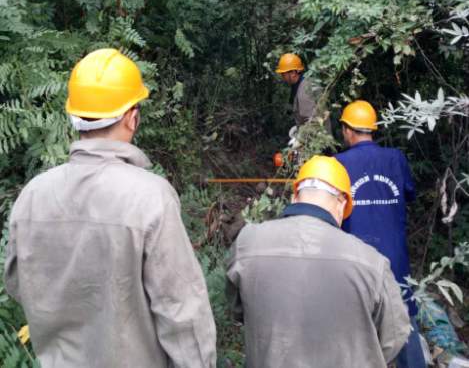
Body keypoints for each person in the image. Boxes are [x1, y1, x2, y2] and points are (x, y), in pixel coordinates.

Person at [4, 48, 216, 368]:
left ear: (74, 117)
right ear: (132, 118)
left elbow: (17, 283)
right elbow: (183, 312)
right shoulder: (150, 197)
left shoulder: (33, 195)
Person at [226, 155, 411, 368]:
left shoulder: (247, 243)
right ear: (342, 203)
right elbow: (394, 336)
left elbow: (238, 310)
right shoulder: (372, 263)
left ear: (295, 196)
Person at [336, 99, 426, 368]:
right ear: (372, 128)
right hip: (395, 259)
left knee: (355, 329)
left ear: (348, 129)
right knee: (404, 321)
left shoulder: (338, 164)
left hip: (355, 262)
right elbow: (409, 194)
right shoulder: (396, 159)